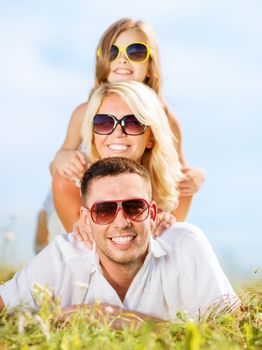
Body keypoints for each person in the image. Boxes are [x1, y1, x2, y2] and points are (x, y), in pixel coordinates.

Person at [0, 157, 238, 322]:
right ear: (86, 219)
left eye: (135, 207)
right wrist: (58, 317)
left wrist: (122, 320)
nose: (121, 221)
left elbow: (233, 328)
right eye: (104, 210)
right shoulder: (64, 257)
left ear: (152, 213)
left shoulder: (186, 244)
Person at [50, 18, 205, 231]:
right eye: (112, 53)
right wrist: (62, 157)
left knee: (181, 187)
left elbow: (179, 171)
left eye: (136, 52)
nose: (122, 60)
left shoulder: (165, 118)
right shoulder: (85, 112)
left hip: (139, 204)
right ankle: (87, 244)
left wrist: (198, 177)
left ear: (151, 65)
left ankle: (165, 242)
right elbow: (57, 167)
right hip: (88, 203)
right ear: (102, 62)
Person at [53, 80, 182, 238]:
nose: (118, 133)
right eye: (104, 123)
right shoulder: (67, 183)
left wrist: (168, 228)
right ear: (93, 135)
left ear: (151, 137)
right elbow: (96, 255)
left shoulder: (175, 188)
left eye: (133, 123)